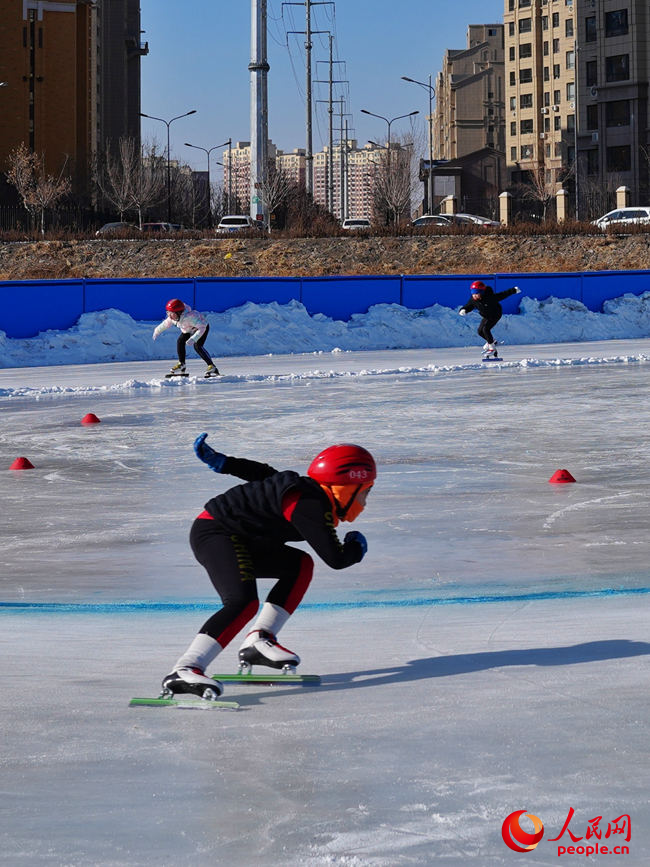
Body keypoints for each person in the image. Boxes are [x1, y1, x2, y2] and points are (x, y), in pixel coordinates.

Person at [161, 437, 376, 699]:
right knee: (242, 602)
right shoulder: (310, 505)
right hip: (217, 532)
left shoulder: (307, 493)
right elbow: (337, 558)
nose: (365, 502)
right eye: (364, 492)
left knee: (298, 564)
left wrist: (226, 463)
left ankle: (259, 641)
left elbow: (263, 474)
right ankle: (185, 668)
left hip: (242, 537)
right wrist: (356, 547)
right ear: (346, 487)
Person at [152, 298, 219, 376]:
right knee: (180, 341)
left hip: (201, 328)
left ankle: (212, 366)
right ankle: (182, 364)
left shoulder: (190, 317)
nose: (170, 316)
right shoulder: (173, 317)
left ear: (179, 313)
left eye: (172, 313)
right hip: (188, 329)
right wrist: (156, 331)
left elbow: (202, 328)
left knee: (197, 346)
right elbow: (165, 324)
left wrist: (194, 338)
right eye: (168, 313)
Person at [459, 280, 522, 357]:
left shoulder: (490, 297)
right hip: (486, 316)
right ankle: (493, 342)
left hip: (495, 314)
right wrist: (464, 310)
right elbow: (469, 306)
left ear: (482, 293)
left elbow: (503, 294)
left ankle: (492, 348)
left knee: (486, 329)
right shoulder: (473, 300)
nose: (474, 295)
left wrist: (514, 290)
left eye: (476, 293)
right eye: (473, 293)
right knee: (480, 331)